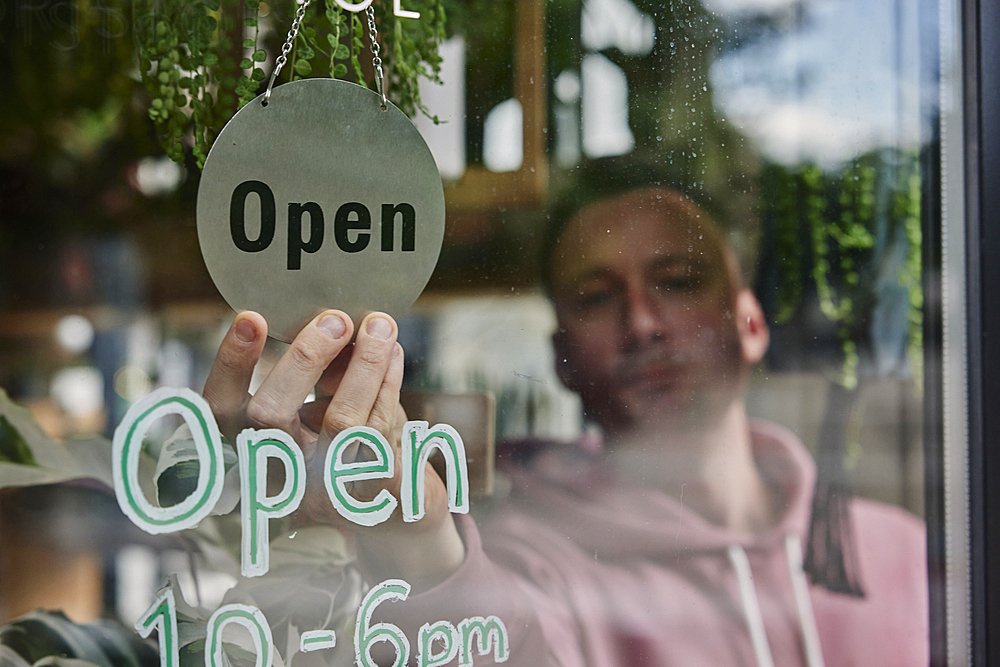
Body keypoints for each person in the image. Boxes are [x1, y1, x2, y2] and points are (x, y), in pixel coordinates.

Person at [202, 183, 928, 666]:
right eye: (597, 295)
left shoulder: (895, 550)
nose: (643, 323)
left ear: (751, 320)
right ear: (561, 358)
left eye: (678, 280)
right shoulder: (531, 559)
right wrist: (418, 539)